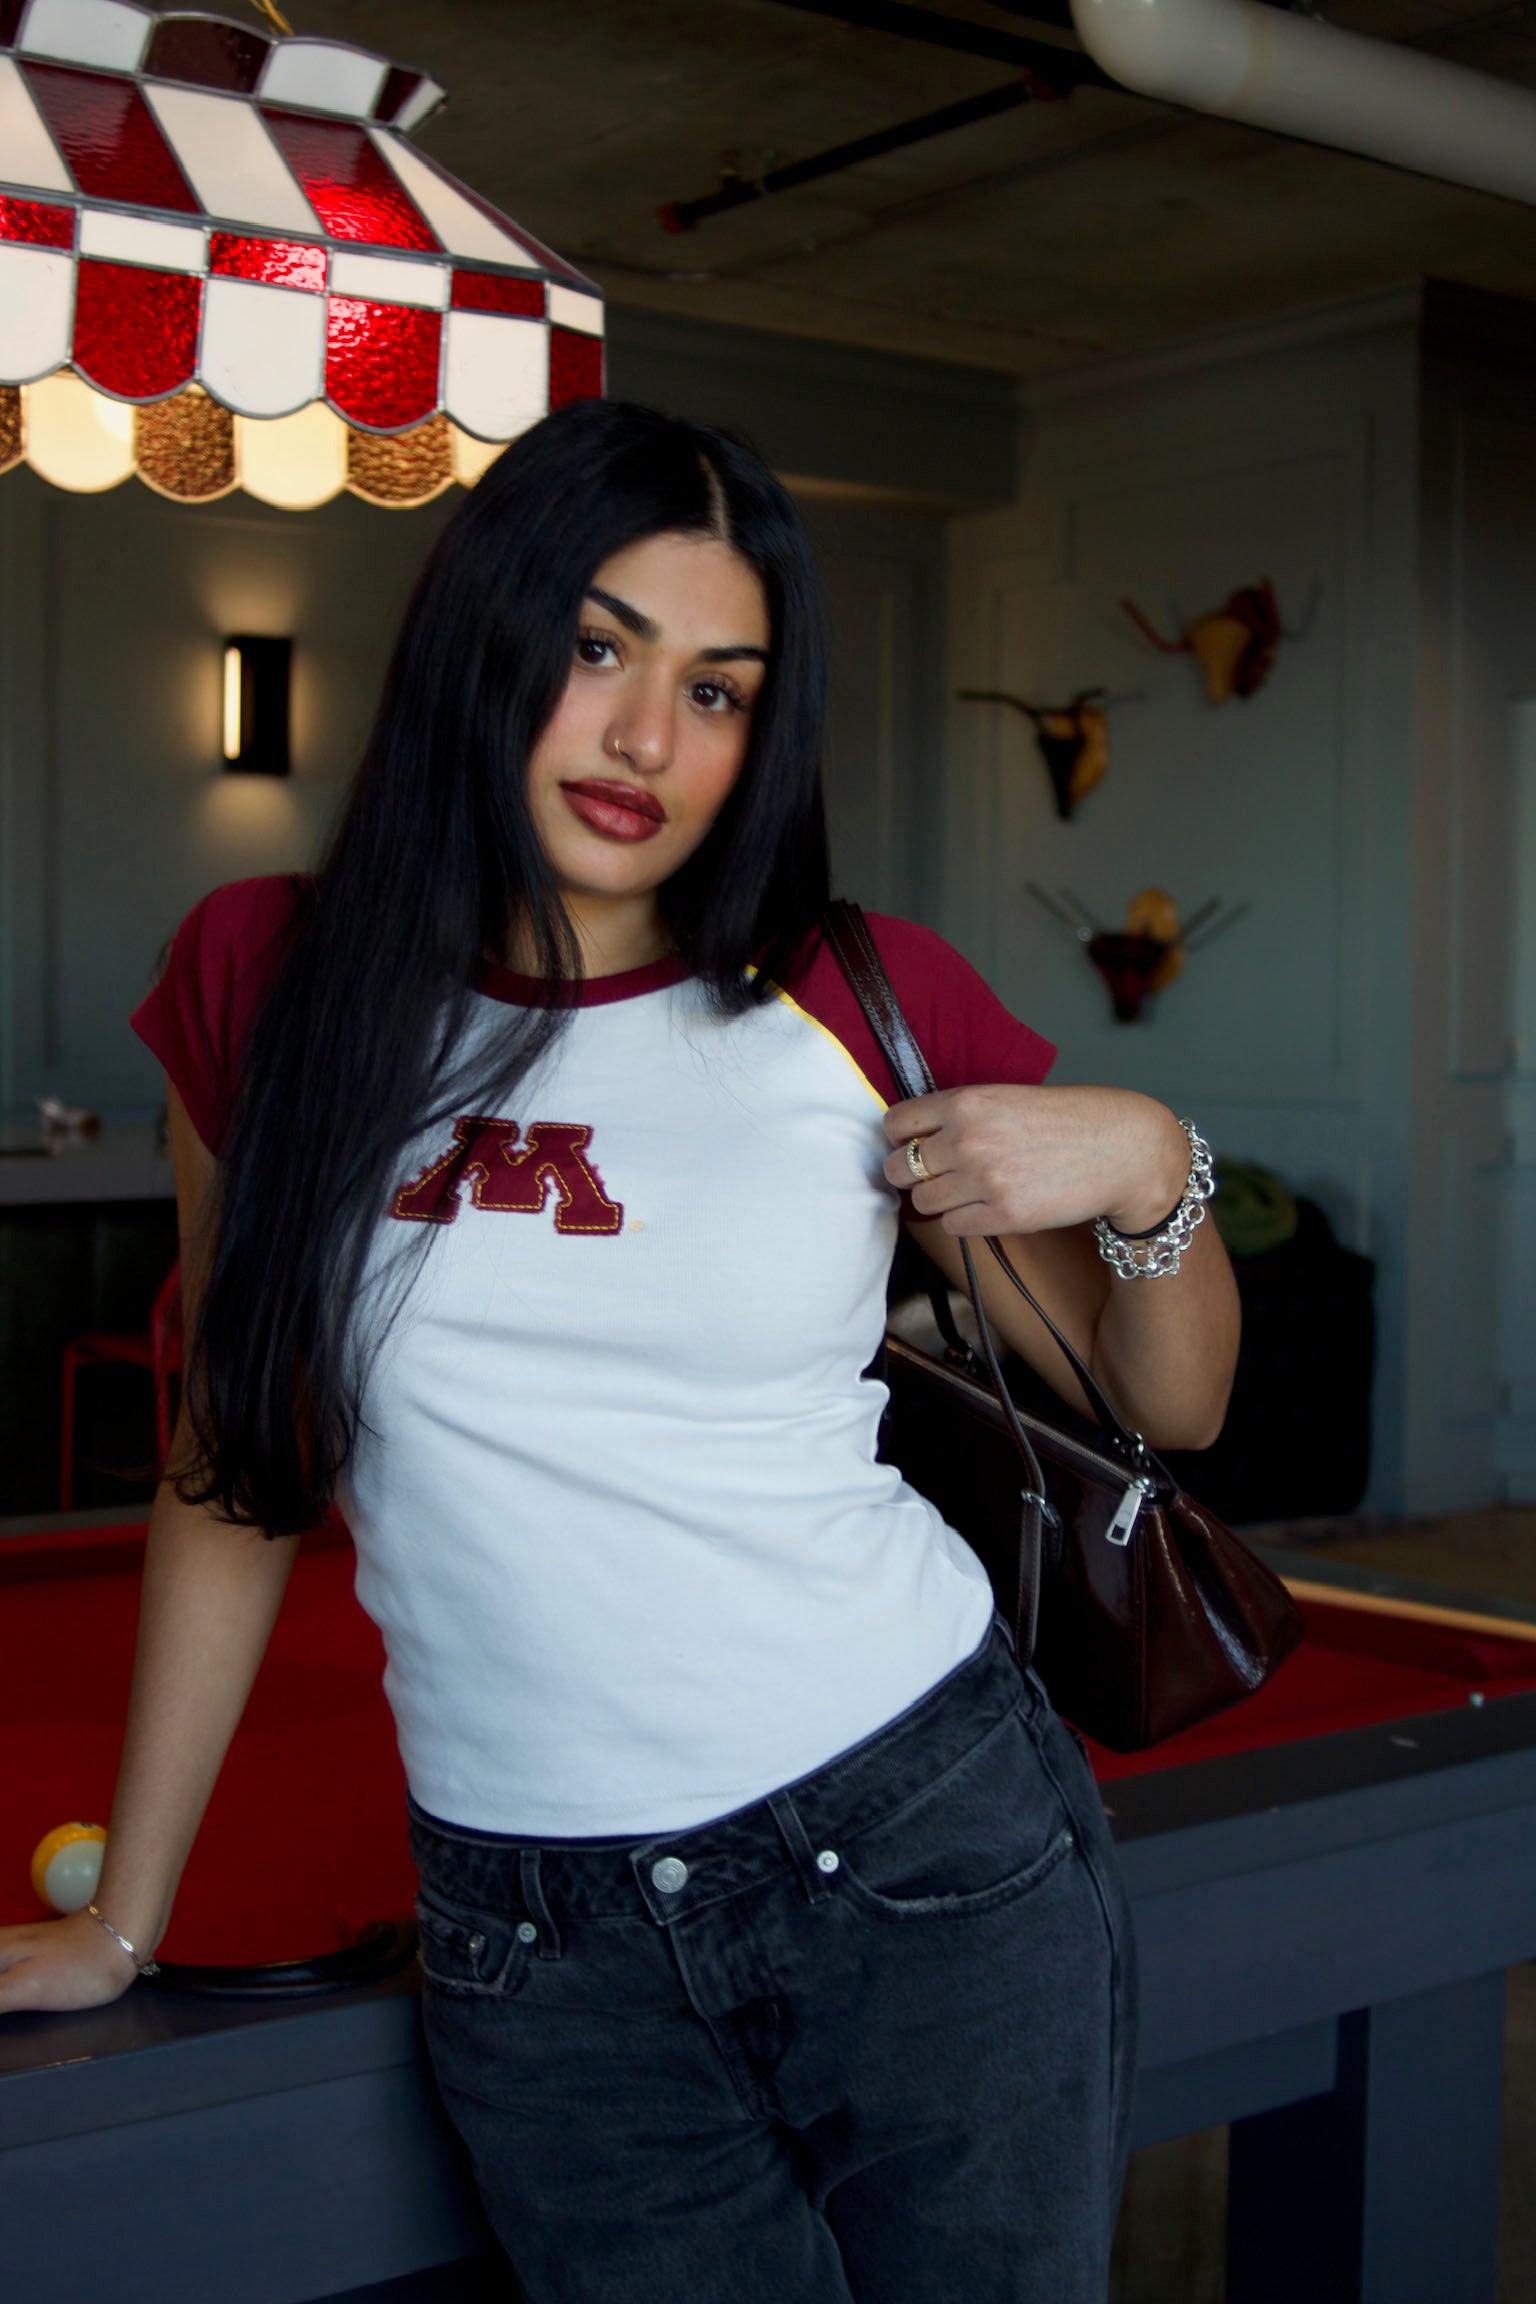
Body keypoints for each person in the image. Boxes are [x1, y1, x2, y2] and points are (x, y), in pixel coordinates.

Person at [0, 400, 1238, 2303]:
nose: (651, 739)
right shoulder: (268, 981)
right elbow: (229, 1465)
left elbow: (1171, 1401)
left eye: (719, 690)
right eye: (599, 649)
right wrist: (126, 1920)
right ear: (482, 639)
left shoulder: (852, 1001)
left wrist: (1156, 1163)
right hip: (533, 1937)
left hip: (919, 1847)